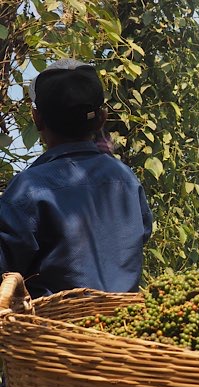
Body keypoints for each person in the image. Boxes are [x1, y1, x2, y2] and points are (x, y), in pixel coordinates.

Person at [0, 58, 153, 299]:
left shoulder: (28, 189)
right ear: (102, 118)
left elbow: (5, 266)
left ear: (37, 119)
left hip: (53, 330)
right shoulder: (125, 179)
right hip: (123, 324)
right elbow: (140, 234)